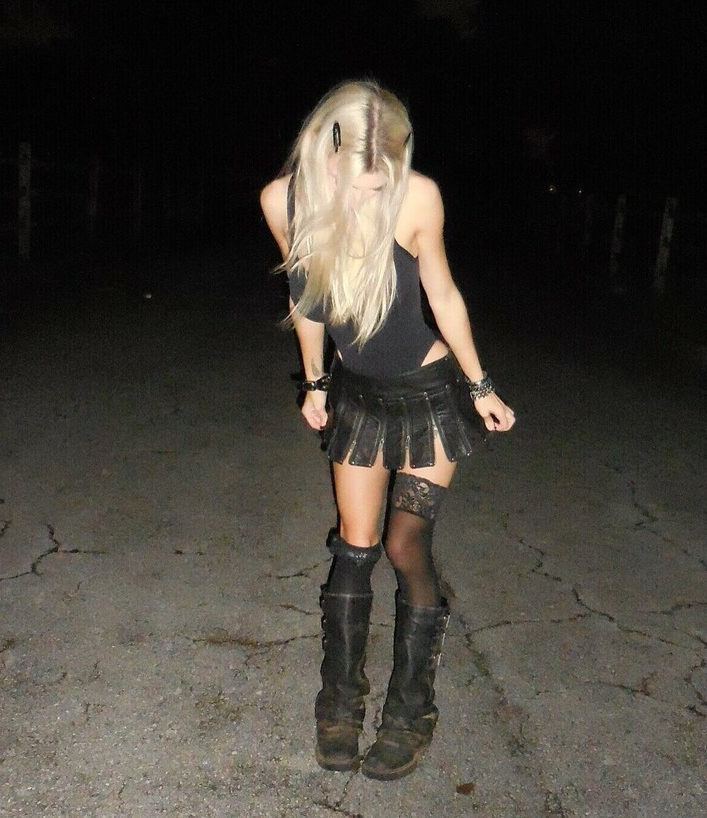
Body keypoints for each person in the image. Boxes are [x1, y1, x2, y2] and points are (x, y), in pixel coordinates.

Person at [260, 79, 515, 781]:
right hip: (359, 398)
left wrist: (481, 386)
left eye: (382, 182)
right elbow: (306, 298)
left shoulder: (418, 196)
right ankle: (339, 704)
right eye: (357, 181)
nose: (369, 195)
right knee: (355, 546)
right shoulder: (283, 201)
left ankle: (411, 710)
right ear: (328, 149)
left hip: (430, 394)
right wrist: (316, 381)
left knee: (405, 545)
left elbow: (444, 294)